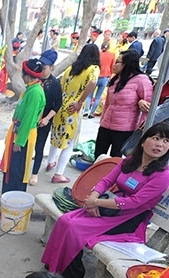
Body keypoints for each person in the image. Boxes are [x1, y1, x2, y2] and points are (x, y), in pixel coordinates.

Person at [42, 122, 169, 278]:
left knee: (75, 227)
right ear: (142, 141)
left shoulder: (162, 174)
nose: (160, 145)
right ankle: (54, 267)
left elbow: (135, 202)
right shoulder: (131, 161)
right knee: (65, 220)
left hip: (130, 218)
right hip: (111, 205)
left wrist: (96, 201)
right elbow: (107, 180)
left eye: (166, 141)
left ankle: (71, 277)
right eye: (156, 138)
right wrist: (93, 198)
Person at [46, 44, 100, 184]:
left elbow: (61, 85)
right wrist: (80, 101)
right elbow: (93, 81)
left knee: (57, 136)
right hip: (72, 110)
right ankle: (58, 174)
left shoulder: (71, 68)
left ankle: (50, 162)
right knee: (69, 143)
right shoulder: (93, 68)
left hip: (61, 106)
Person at [94, 50, 153, 158]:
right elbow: (108, 103)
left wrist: (140, 128)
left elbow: (148, 107)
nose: (114, 65)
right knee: (98, 155)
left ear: (126, 64)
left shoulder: (141, 80)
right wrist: (102, 121)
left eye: (117, 62)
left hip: (124, 129)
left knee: (116, 159)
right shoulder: (116, 79)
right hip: (106, 126)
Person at [0, 59, 46, 194]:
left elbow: (29, 118)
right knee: (11, 166)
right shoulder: (31, 88)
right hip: (18, 131)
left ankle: (14, 197)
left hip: (23, 135)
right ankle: (7, 195)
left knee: (17, 169)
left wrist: (19, 141)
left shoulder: (35, 92)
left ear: (27, 75)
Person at [30, 50, 62, 186]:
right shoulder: (34, 79)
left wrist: (47, 119)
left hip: (44, 121)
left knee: (39, 146)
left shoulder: (54, 84)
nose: (42, 69)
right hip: (31, 119)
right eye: (41, 65)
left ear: (52, 67)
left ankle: (34, 173)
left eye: (45, 67)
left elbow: (58, 104)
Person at [85, 42, 115, 118]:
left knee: (89, 95)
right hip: (105, 77)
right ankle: (92, 113)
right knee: (98, 97)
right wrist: (110, 75)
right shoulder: (112, 55)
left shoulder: (98, 54)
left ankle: (86, 110)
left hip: (96, 76)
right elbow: (112, 67)